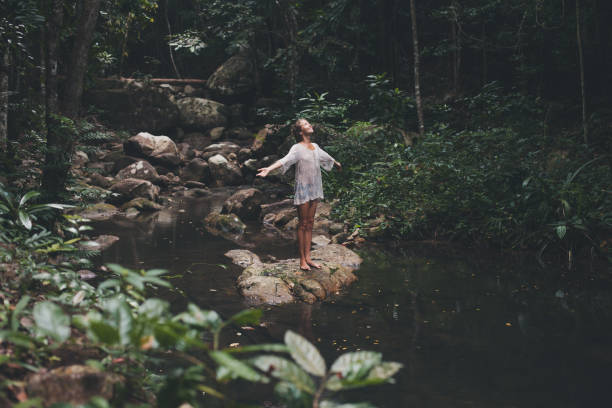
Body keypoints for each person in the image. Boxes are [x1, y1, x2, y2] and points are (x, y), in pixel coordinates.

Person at [257, 119, 341, 271]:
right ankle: (302, 259)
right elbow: (284, 160)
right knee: (302, 224)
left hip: (315, 188)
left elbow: (325, 156)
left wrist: (336, 163)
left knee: (310, 223)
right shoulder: (297, 148)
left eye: (309, 123)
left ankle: (309, 258)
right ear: (300, 131)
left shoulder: (315, 146)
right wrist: (268, 169)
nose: (310, 125)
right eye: (306, 124)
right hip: (303, 188)